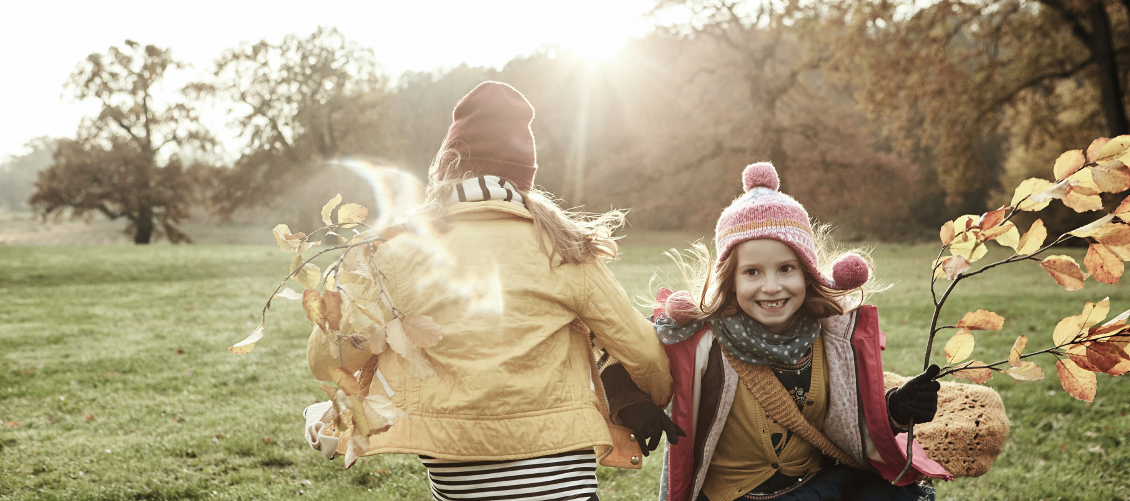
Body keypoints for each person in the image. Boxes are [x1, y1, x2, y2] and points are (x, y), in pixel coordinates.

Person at [305, 81, 674, 501]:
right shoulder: (565, 248)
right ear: (525, 177)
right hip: (562, 468)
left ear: (445, 167)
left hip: (459, 468)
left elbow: (326, 360)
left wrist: (349, 283)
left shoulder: (396, 252)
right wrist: (651, 398)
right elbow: (645, 355)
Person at [598, 162, 953, 501]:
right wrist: (631, 403)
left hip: (817, 485)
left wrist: (894, 408)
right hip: (735, 494)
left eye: (786, 269)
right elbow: (616, 350)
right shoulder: (699, 340)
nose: (772, 286)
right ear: (731, 280)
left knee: (894, 490)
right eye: (752, 272)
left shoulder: (831, 338)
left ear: (807, 273)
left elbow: (847, 421)